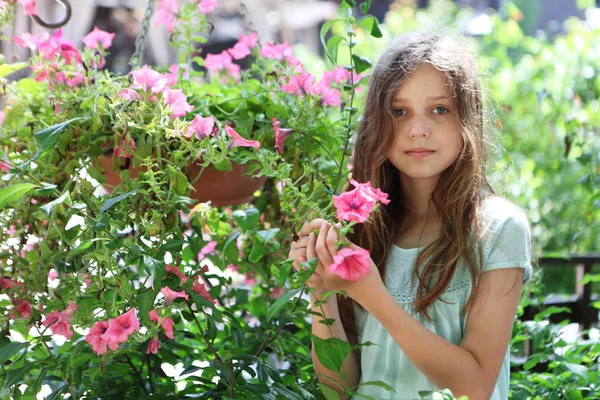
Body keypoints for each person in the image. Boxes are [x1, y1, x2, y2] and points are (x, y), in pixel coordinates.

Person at [288, 33, 533, 400]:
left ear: (468, 119)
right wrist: (320, 291)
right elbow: (338, 390)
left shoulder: (497, 227)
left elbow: (477, 387)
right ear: (377, 124)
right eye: (399, 112)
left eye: (439, 109)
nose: (418, 129)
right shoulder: (363, 226)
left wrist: (372, 295)